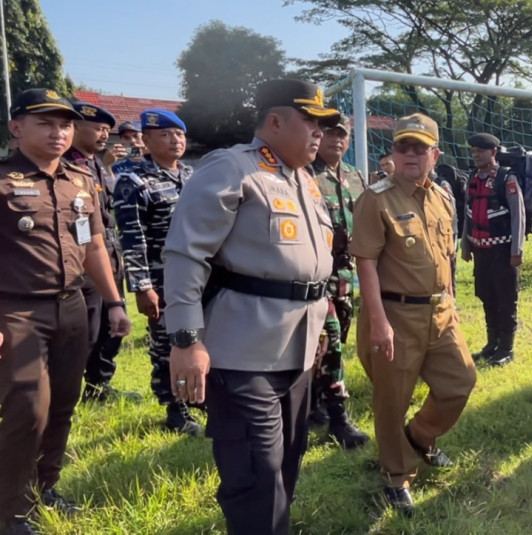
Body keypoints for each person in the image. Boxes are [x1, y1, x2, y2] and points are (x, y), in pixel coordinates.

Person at [163, 79, 338, 535]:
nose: (319, 132)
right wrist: (186, 340)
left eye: (324, 123)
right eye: (310, 121)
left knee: (286, 464)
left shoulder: (306, 181)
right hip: (242, 351)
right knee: (256, 472)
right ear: (275, 121)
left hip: (298, 352)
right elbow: (186, 254)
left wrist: (320, 328)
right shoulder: (232, 168)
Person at [0, 89, 131, 535]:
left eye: (65, 125)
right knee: (27, 409)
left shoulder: (80, 180)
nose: (59, 133)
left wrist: (114, 302)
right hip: (16, 310)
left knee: (63, 404)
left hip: (73, 306)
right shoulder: (1, 180)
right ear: (17, 128)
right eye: (46, 124)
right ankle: (12, 509)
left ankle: (44, 487)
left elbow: (93, 245)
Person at [350, 113, 477, 514]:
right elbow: (365, 263)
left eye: (420, 147)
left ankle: (419, 437)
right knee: (392, 398)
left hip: (440, 312)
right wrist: (379, 323)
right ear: (393, 151)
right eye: (403, 146)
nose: (410, 154)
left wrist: (452, 302)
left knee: (461, 380)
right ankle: (396, 474)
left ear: (434, 154)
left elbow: (447, 257)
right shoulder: (376, 198)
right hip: (395, 314)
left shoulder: (442, 197)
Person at [113, 109, 197, 434]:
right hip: (161, 278)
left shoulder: (191, 176)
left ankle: (196, 395)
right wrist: (141, 286)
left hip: (197, 275)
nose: (175, 140)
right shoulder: (133, 182)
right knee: (166, 344)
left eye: (179, 134)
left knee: (198, 337)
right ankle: (175, 408)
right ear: (146, 140)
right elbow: (131, 238)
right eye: (165, 134)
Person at [63, 101, 141, 403]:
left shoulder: (95, 163)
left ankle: (98, 386)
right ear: (76, 127)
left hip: (108, 251)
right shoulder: (67, 164)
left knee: (111, 325)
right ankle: (68, 391)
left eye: (107, 130)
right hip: (84, 258)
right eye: (97, 128)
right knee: (86, 331)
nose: (103, 135)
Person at [307, 118, 370, 448]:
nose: (335, 138)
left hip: (346, 275)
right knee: (329, 344)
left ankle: (314, 404)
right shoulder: (304, 174)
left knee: (336, 340)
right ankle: (338, 418)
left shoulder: (355, 176)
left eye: (341, 133)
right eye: (328, 132)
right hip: (316, 274)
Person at [461, 132, 525, 366]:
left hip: (503, 251)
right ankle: (492, 343)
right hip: (480, 252)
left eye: (481, 151)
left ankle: (507, 348)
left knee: (506, 298)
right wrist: (466, 244)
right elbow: (468, 213)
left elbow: (518, 215)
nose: (476, 155)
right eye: (474, 151)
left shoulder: (506, 179)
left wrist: (516, 250)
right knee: (487, 296)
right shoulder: (473, 178)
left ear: (494, 152)